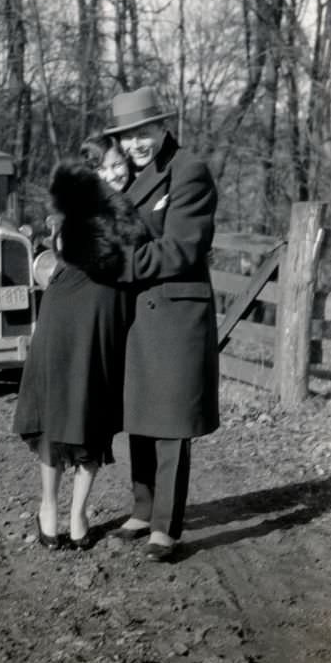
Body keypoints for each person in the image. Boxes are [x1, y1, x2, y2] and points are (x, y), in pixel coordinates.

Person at [13, 134, 146, 551]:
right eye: (105, 167)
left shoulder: (135, 204)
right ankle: (48, 507)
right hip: (67, 318)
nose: (115, 172)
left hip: (108, 322)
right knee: (57, 415)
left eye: (119, 163)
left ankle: (79, 512)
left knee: (94, 416)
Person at [105, 86, 219, 562]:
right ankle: (143, 507)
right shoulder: (128, 179)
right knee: (140, 417)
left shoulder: (188, 170)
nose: (136, 144)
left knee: (170, 422)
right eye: (128, 137)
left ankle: (166, 528)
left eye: (144, 133)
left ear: (163, 127)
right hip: (136, 314)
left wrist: (115, 262)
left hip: (175, 314)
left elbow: (182, 249)